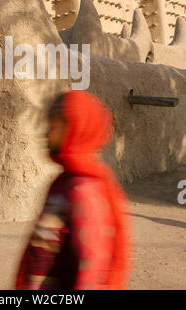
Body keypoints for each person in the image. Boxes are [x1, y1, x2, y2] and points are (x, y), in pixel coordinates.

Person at [15, 90, 133, 290]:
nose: (46, 133)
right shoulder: (63, 184)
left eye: (54, 124)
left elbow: (92, 274)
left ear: (74, 128)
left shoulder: (84, 191)